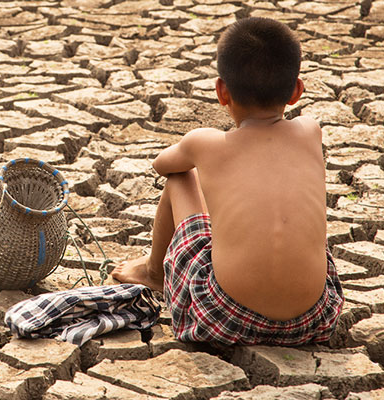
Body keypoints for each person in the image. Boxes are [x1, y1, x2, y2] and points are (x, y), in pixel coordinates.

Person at [110, 17, 343, 346]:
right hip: (313, 320)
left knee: (181, 177)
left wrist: (200, 155)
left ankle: (153, 273)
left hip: (222, 317)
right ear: (296, 91)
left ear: (222, 91)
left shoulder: (206, 143)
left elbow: (163, 165)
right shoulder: (310, 131)